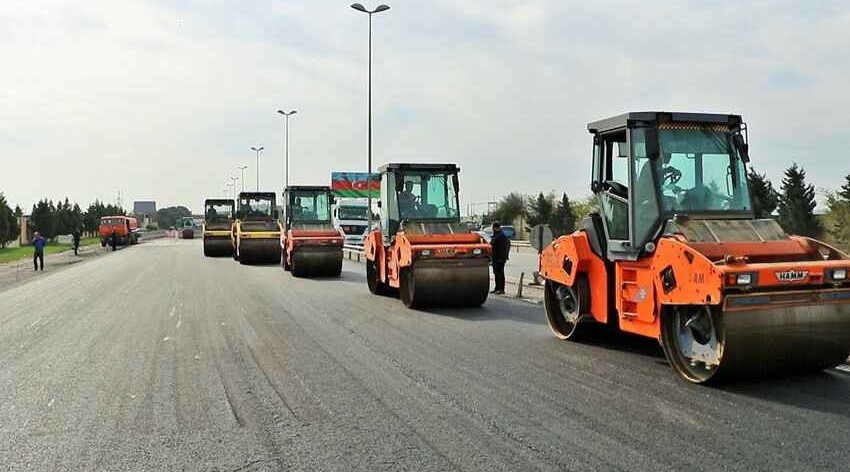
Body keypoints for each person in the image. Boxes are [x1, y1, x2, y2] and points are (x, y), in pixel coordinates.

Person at [490, 222, 510, 294]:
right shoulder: (497, 235)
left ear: (496, 228)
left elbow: (502, 248)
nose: (492, 229)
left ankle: (501, 289)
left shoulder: (501, 236)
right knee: (496, 273)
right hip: (495, 257)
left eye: (493, 228)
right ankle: (497, 288)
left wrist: (502, 258)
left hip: (500, 258)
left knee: (500, 273)